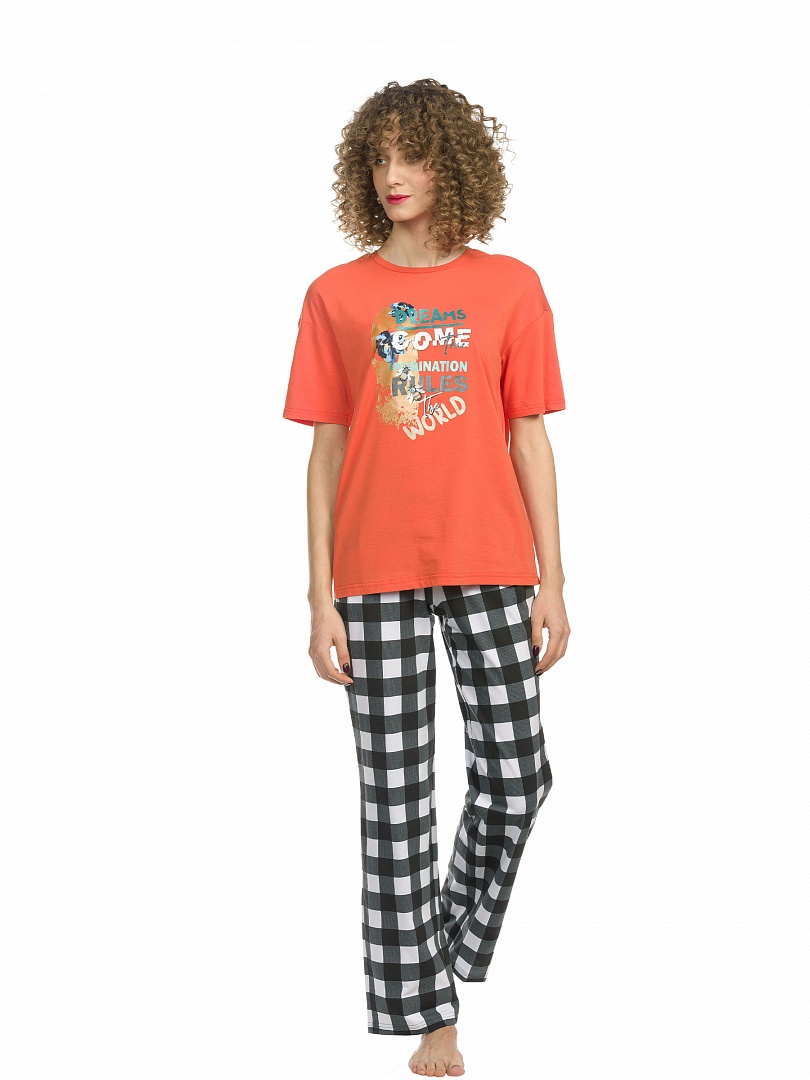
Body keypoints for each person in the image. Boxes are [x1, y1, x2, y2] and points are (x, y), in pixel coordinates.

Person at [282, 78, 570, 1077]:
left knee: (519, 777)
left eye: (411, 155)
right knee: (396, 801)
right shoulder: (335, 295)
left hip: (492, 561)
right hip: (372, 573)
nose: (392, 175)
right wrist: (317, 595)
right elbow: (325, 453)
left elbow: (528, 437)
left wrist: (554, 579)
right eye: (378, 158)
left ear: (453, 164)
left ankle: (435, 949)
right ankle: (431, 1016)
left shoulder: (512, 287)